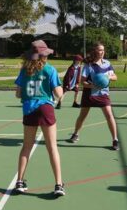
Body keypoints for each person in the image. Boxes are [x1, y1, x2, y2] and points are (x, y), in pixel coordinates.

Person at [14, 40, 65, 197]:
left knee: (26, 147)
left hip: (29, 109)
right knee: (52, 147)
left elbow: (17, 94)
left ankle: (20, 181)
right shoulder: (50, 70)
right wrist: (62, 90)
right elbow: (58, 94)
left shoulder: (24, 71)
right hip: (45, 108)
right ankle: (58, 184)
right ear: (45, 55)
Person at [68, 42, 119, 151]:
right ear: (95, 51)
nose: (102, 52)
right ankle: (76, 134)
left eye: (103, 50)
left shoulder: (107, 64)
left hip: (103, 94)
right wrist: (93, 85)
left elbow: (115, 76)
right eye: (100, 50)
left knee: (110, 116)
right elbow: (83, 82)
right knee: (82, 116)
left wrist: (108, 78)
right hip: (89, 94)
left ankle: (115, 140)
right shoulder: (89, 65)